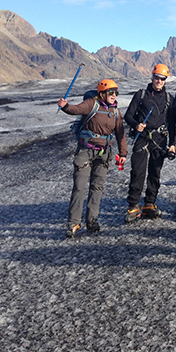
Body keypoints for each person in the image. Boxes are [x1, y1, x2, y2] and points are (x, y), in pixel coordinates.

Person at [58, 79, 128, 238]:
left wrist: (123, 154)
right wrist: (65, 106)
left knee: (97, 187)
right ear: (102, 93)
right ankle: (73, 222)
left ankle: (92, 220)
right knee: (79, 187)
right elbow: (75, 109)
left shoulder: (115, 111)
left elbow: (120, 134)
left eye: (116, 92)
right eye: (111, 92)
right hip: (86, 151)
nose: (114, 95)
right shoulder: (92, 104)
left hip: (104, 153)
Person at [124, 64, 176, 223]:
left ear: (166, 80)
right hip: (143, 138)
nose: (159, 81)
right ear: (152, 77)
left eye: (162, 79)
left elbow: (172, 123)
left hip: (160, 139)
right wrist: (135, 125)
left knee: (155, 174)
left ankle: (149, 204)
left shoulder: (169, 99)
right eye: (157, 78)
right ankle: (133, 205)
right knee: (138, 172)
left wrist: (172, 143)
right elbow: (128, 116)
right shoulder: (141, 95)